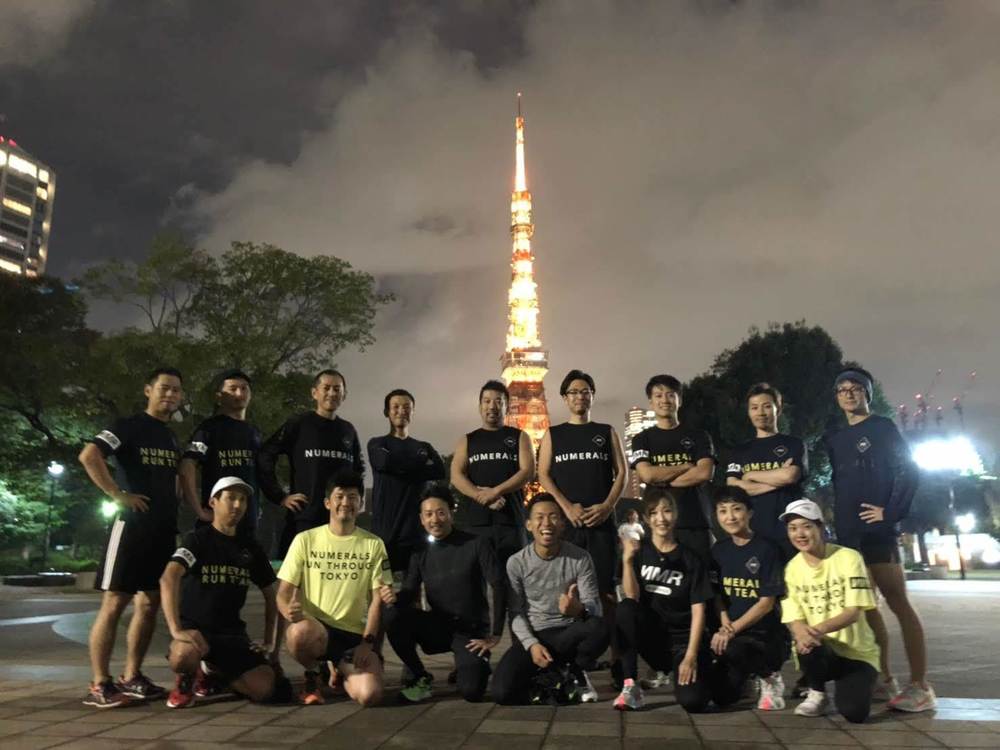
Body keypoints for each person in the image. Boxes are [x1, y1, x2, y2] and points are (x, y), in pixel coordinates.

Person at [824, 367, 933, 712]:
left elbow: (910, 470)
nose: (849, 393)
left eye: (856, 388)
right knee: (866, 608)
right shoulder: (836, 438)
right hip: (848, 534)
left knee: (898, 602)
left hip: (878, 533)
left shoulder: (883, 428)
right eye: (842, 388)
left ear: (867, 394)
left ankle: (921, 685)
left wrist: (891, 512)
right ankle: (885, 679)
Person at [78, 367, 184, 707]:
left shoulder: (170, 437)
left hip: (161, 531)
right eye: (164, 388)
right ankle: (100, 683)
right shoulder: (127, 426)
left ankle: (132, 676)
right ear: (148, 390)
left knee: (150, 603)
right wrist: (116, 494)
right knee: (114, 603)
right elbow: (89, 455)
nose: (170, 395)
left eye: (176, 391)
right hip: (130, 528)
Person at [160, 477, 284, 708]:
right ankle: (187, 677)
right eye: (230, 498)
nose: (237, 505)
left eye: (243, 499)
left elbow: (272, 593)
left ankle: (215, 674)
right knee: (182, 656)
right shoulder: (196, 540)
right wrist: (176, 629)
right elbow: (169, 577)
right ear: (213, 502)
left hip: (232, 635)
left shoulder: (250, 548)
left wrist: (271, 643)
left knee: (265, 690)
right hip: (196, 633)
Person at [276, 470, 394, 707]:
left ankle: (341, 669)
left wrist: (367, 643)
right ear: (328, 502)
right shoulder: (305, 540)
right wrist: (288, 610)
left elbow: (377, 600)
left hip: (353, 636)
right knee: (298, 634)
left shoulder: (374, 544)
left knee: (370, 695)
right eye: (339, 496)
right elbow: (283, 593)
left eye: (353, 497)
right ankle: (313, 671)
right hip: (317, 630)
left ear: (360, 504)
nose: (345, 502)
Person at [384, 484, 506, 703]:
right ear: (421, 519)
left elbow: (498, 584)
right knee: (391, 616)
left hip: (470, 632)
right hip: (438, 626)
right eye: (428, 514)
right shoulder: (420, 550)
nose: (435, 520)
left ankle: (472, 667)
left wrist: (495, 634)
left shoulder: (476, 543)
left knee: (471, 691)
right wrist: (393, 599)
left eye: (441, 512)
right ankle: (421, 676)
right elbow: (410, 590)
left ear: (452, 512)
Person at [492, 494, 608, 705]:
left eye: (554, 517)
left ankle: (576, 670)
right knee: (502, 693)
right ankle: (553, 676)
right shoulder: (516, 563)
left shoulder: (580, 557)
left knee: (599, 627)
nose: (546, 523)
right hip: (537, 634)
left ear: (563, 524)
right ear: (528, 524)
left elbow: (595, 608)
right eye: (539, 517)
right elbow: (516, 613)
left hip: (569, 632)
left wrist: (579, 610)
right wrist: (531, 644)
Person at [538, 370, 627, 636]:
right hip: (568, 525)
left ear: (592, 396)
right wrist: (566, 507)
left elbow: (622, 473)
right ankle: (574, 654)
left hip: (601, 523)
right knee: (566, 587)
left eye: (585, 391)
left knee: (605, 589)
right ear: (565, 398)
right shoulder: (553, 434)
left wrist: (607, 506)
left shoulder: (606, 432)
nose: (580, 396)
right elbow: (543, 474)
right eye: (574, 392)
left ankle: (615, 658)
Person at [613, 486, 713, 713]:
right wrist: (627, 561)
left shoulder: (691, 558)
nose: (661, 518)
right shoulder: (640, 553)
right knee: (625, 610)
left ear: (675, 515)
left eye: (667, 511)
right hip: (654, 638)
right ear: (647, 519)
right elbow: (632, 597)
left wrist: (691, 655)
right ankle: (631, 686)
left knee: (693, 702)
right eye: (654, 513)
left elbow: (699, 611)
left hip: (682, 642)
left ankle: (695, 672)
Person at [780, 498, 880, 723]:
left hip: (857, 653)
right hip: (820, 650)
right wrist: (801, 633)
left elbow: (853, 611)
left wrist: (815, 630)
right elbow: (793, 615)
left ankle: (863, 681)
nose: (800, 534)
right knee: (806, 644)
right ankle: (817, 692)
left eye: (807, 526)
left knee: (854, 713)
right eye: (793, 528)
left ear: (821, 528)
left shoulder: (848, 558)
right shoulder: (792, 568)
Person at [258, 369, 364, 558]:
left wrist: (357, 500)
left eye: (337, 389)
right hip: (305, 518)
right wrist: (279, 496)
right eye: (326, 388)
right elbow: (265, 455)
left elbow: (358, 469)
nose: (332, 393)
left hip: (340, 521)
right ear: (314, 393)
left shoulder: (348, 430)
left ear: (344, 395)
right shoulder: (299, 424)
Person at [708, 486, 787, 711]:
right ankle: (747, 678)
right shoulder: (718, 551)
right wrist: (724, 624)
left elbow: (766, 602)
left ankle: (770, 677)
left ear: (749, 513)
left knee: (734, 648)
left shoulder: (767, 549)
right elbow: (717, 596)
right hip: (732, 634)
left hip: (764, 636)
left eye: (736, 509)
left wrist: (730, 630)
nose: (730, 517)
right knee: (721, 697)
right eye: (723, 511)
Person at [630, 374, 716, 565]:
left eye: (670, 394)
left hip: (696, 523)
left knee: (702, 586)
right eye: (658, 395)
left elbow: (704, 473)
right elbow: (646, 474)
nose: (664, 400)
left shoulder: (698, 436)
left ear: (679, 400)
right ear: (651, 402)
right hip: (658, 526)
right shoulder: (642, 439)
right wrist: (686, 466)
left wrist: (662, 479)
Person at [450, 380, 534, 569]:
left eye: (498, 401)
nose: (492, 406)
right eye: (487, 401)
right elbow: (456, 476)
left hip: (511, 523)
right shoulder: (468, 440)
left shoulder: (520, 437)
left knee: (514, 582)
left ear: (507, 406)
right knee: (477, 583)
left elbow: (528, 471)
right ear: (480, 406)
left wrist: (495, 491)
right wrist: (483, 497)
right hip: (476, 524)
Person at [368, 388, 445, 578]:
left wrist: (398, 465)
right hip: (385, 531)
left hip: (415, 531)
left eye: (406, 407)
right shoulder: (377, 444)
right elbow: (383, 462)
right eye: (395, 406)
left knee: (416, 590)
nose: (401, 411)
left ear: (413, 411)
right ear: (387, 411)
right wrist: (419, 466)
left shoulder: (423, 446)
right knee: (383, 591)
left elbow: (440, 470)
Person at [725, 383, 807, 561]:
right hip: (752, 534)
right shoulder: (740, 451)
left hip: (790, 532)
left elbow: (790, 475)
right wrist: (777, 481)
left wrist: (750, 476)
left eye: (767, 406)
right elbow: (734, 488)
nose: (760, 412)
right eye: (754, 407)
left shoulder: (793, 444)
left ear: (778, 409)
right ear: (748, 412)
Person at [179, 369, 262, 539]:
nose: (239, 393)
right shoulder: (208, 429)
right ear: (219, 396)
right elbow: (187, 465)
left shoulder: (254, 432)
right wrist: (199, 511)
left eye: (244, 388)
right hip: (217, 524)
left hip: (248, 524)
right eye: (232, 389)